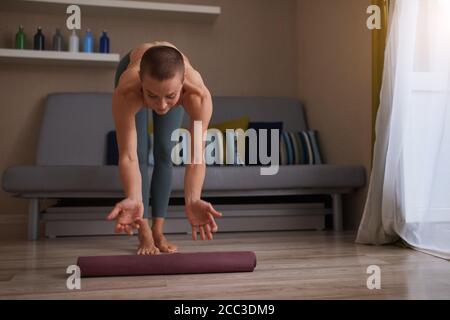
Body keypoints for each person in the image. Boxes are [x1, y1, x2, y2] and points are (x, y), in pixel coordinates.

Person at [107, 41, 222, 255]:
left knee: (164, 151)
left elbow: (196, 157)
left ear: (182, 85)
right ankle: (144, 231)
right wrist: (133, 196)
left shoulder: (197, 96)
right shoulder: (127, 92)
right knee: (140, 151)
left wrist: (193, 199)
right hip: (133, 67)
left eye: (170, 97)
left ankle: (158, 231)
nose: (161, 106)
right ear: (141, 83)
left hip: (168, 73)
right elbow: (128, 156)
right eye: (152, 96)